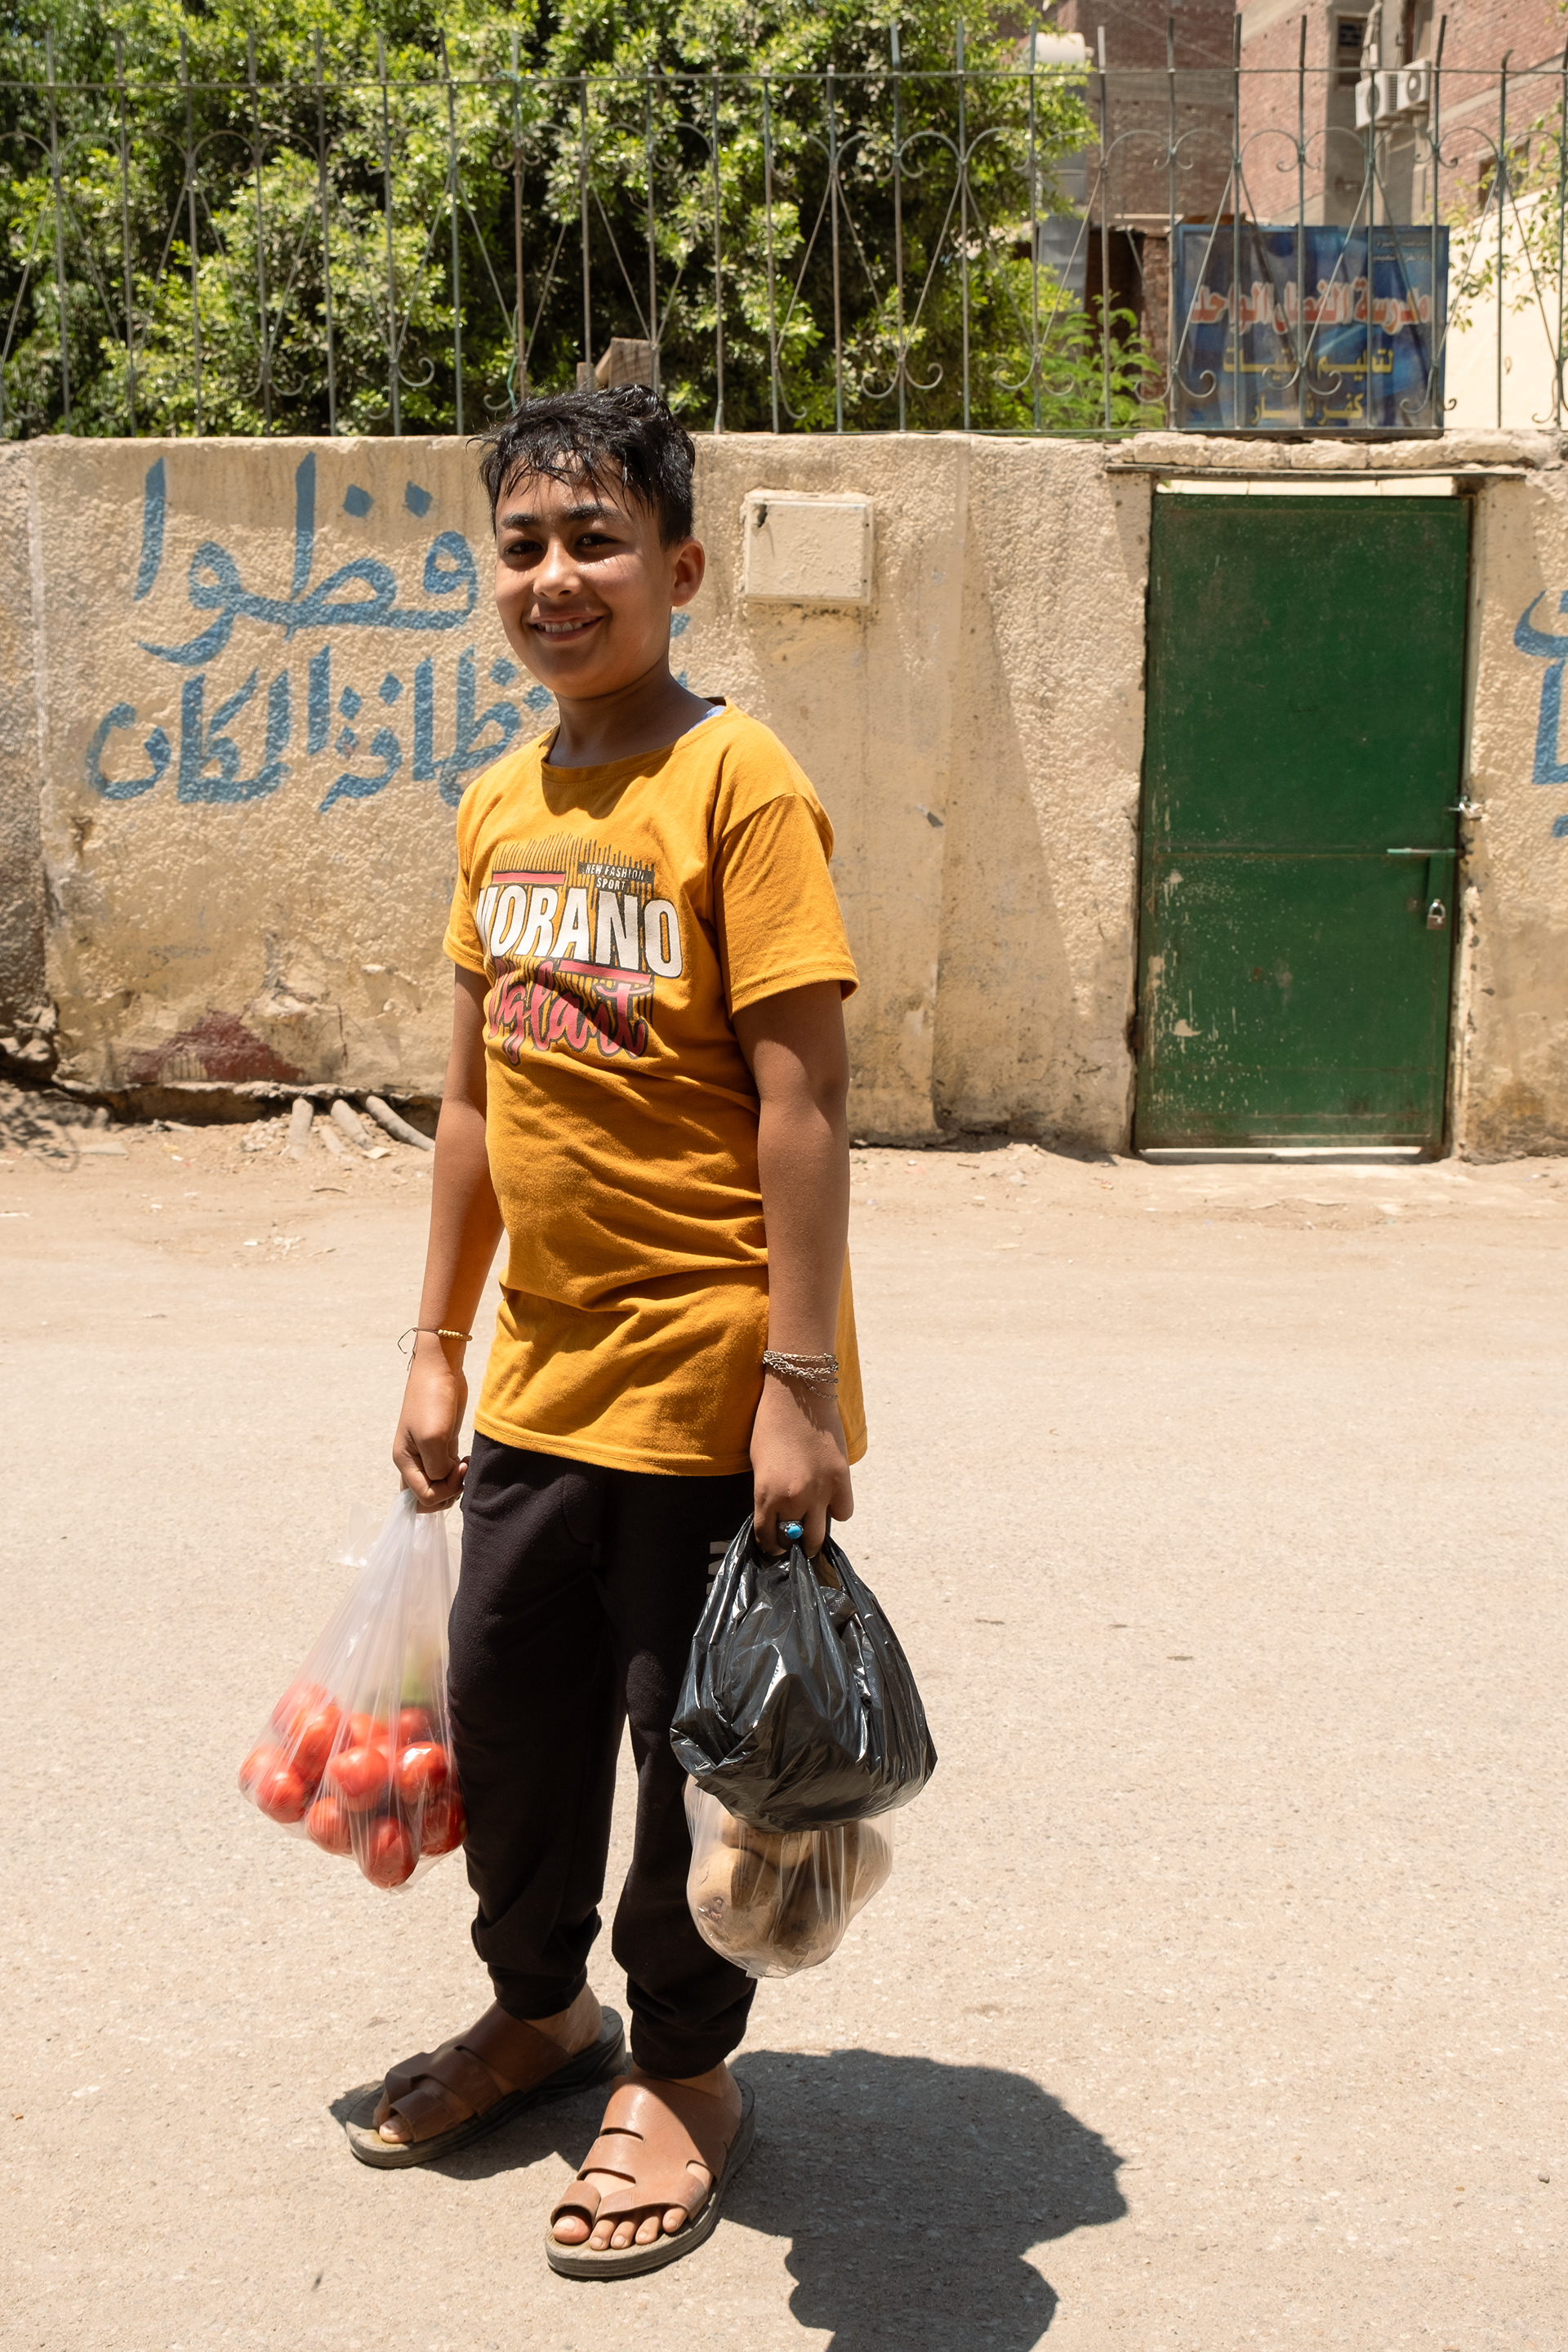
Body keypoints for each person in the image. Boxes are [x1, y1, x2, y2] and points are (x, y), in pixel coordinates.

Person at [344, 386, 866, 2280]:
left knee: (690, 1745)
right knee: (516, 1707)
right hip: (549, 1372)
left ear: (681, 570)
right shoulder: (498, 802)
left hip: (720, 1376)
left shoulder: (742, 785)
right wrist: (432, 1336)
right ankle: (544, 2011)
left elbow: (802, 1101)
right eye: (525, 545)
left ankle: (690, 2069)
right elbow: (475, 1103)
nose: (557, 578)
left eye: (597, 542)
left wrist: (799, 1391)